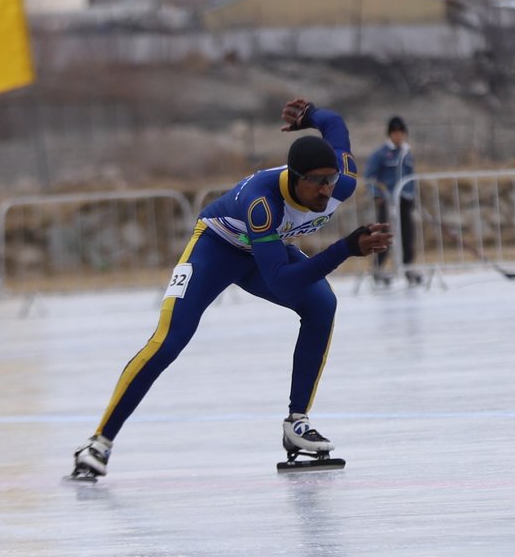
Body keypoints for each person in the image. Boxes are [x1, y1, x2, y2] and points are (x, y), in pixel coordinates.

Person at [69, 98, 392, 479]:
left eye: (330, 180)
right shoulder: (263, 203)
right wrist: (345, 249)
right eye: (318, 183)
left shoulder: (342, 182)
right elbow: (280, 281)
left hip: (266, 249)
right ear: (295, 177)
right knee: (168, 341)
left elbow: (335, 122)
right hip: (216, 250)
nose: (326, 191)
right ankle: (99, 442)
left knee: (322, 305)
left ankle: (297, 423)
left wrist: (311, 115)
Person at [364, 116, 422, 286]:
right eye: (395, 133)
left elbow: (411, 177)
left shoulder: (407, 153)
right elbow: (369, 177)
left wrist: (413, 195)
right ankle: (379, 268)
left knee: (408, 233)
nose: (398, 136)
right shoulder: (381, 154)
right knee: (384, 235)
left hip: (405, 199)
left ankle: (408, 267)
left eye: (401, 133)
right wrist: (377, 194)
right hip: (387, 200)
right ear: (390, 134)